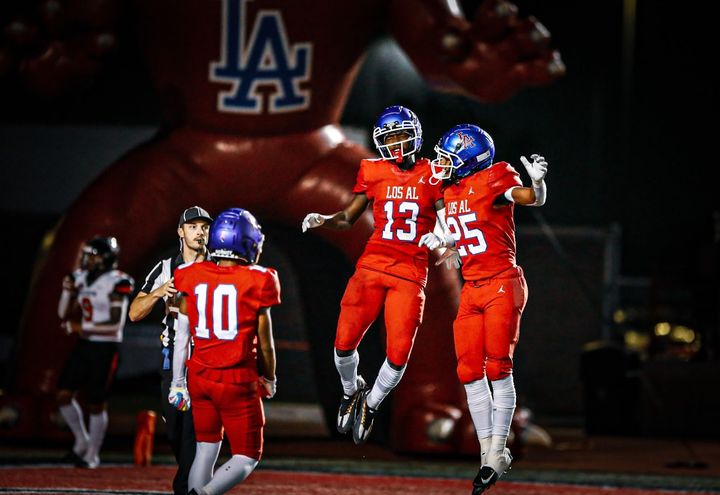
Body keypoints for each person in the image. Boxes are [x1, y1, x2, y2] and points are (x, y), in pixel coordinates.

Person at [10, 0, 563, 452]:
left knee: (415, 237)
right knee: (93, 235)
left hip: (293, 150)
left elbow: (442, 46)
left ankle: (436, 399)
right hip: (203, 156)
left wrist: (472, 54)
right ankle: (40, 388)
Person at [302, 105, 449, 444]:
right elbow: (348, 217)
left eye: (401, 136)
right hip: (372, 265)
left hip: (410, 273)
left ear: (416, 136)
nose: (396, 144)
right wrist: (323, 219)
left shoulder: (432, 173)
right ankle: (353, 390)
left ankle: (371, 403)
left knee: (398, 356)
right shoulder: (372, 170)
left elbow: (447, 216)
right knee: (342, 345)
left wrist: (442, 235)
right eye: (389, 138)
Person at [420, 123, 548, 493]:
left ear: (468, 157)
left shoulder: (495, 177)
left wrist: (537, 183)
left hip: (502, 284)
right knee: (468, 371)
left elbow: (529, 198)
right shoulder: (451, 191)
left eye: (448, 157)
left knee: (497, 366)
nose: (441, 163)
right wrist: (441, 241)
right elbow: (455, 232)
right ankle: (486, 455)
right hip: (473, 288)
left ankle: (497, 450)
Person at [170, 208, 280, 495]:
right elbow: (265, 342)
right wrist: (269, 378)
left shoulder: (189, 274)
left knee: (206, 449)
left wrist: (177, 381)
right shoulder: (259, 279)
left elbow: (182, 336)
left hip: (199, 376)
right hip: (236, 380)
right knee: (247, 455)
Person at [128, 206, 213, 495]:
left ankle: (188, 488)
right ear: (180, 231)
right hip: (171, 361)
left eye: (204, 227)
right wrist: (158, 292)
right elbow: (134, 313)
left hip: (206, 361)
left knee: (194, 433)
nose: (200, 232)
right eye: (193, 227)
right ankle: (191, 481)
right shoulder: (165, 268)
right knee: (176, 431)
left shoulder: (220, 267)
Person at [56, 236, 135, 468]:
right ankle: (82, 440)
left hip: (105, 348)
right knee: (62, 394)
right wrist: (66, 291)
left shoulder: (117, 281)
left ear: (105, 258)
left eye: (92, 255)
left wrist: (81, 326)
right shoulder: (81, 278)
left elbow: (114, 325)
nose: (87, 259)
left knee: (96, 402)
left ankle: (92, 454)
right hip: (84, 346)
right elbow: (63, 314)